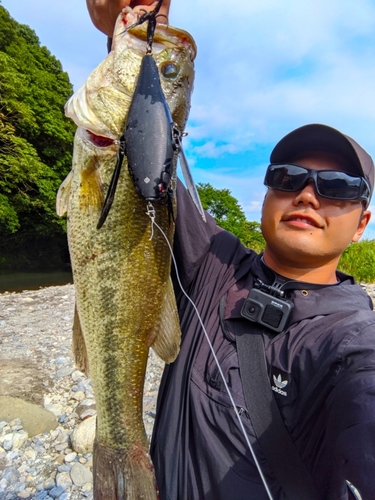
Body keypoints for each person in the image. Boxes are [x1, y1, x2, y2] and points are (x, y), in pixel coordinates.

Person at [86, 2, 375, 499]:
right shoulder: (213, 261)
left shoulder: (352, 345)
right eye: (288, 178)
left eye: (338, 186)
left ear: (361, 225)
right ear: (266, 195)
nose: (308, 194)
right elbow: (134, 160)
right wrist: (128, 38)